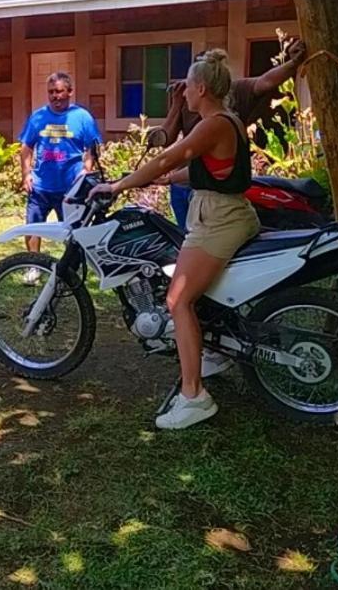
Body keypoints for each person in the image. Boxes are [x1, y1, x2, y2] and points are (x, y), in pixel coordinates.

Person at [89, 50, 259, 430]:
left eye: (186, 86)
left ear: (201, 88)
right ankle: (213, 353)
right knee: (199, 293)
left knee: (177, 299)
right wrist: (164, 179)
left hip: (218, 221)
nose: (181, 92)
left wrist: (118, 185)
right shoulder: (223, 121)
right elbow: (205, 168)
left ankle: (194, 396)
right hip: (225, 213)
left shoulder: (212, 123)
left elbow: (171, 156)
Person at [161, 38, 307, 230]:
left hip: (214, 189)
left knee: (203, 242)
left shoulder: (233, 97)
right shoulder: (188, 100)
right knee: (187, 238)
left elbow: (266, 81)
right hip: (185, 184)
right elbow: (166, 139)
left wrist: (293, 62)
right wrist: (177, 103)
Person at [18, 72, 102, 283]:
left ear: (70, 92)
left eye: (59, 91)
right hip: (41, 186)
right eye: (51, 92)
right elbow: (26, 148)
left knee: (72, 233)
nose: (55, 96)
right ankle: (33, 267)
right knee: (32, 226)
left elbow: (92, 147)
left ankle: (70, 270)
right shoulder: (38, 117)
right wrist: (26, 175)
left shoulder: (82, 117)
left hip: (70, 189)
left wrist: (86, 168)